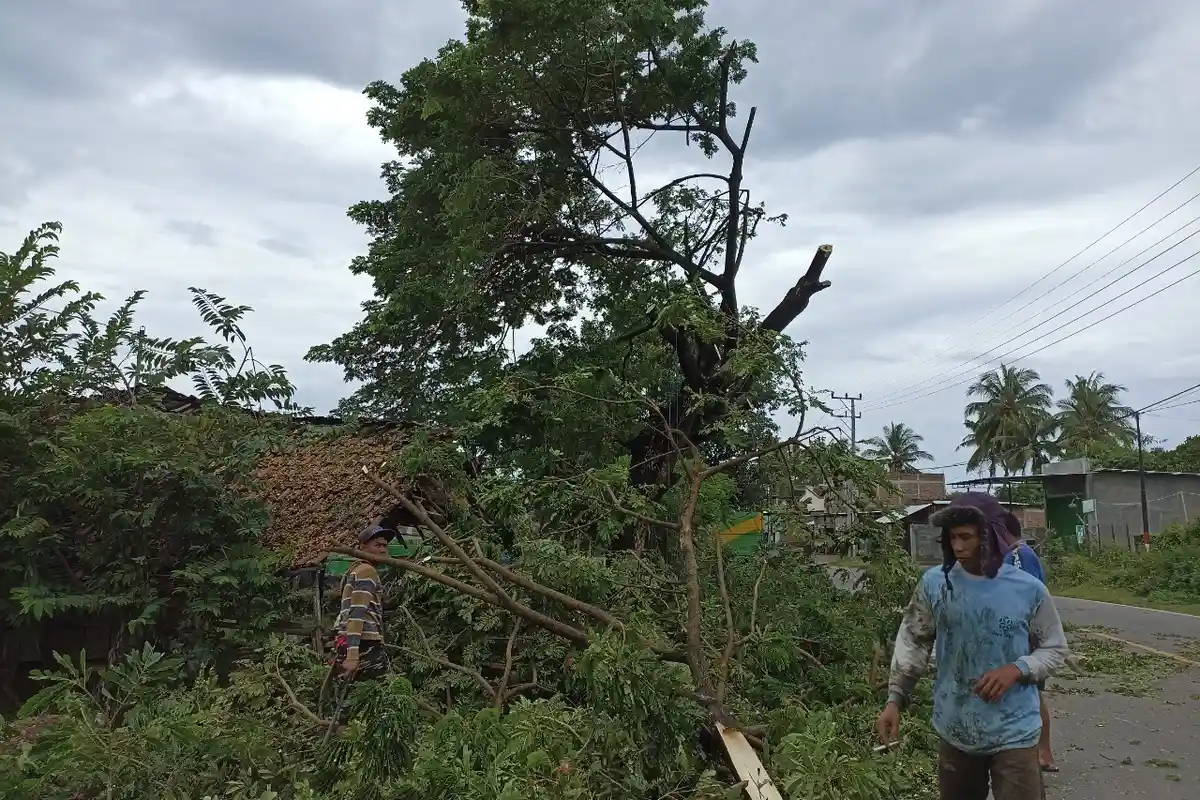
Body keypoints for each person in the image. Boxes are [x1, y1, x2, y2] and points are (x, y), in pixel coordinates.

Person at [876, 492, 1068, 800]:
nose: (958, 547)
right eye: (952, 538)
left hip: (1015, 732)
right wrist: (895, 700)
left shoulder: (1028, 589)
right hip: (956, 729)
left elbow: (1055, 648)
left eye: (966, 537)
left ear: (989, 535)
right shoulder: (935, 584)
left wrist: (1017, 669)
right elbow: (914, 641)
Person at [1002, 512, 1057, 773]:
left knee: (1031, 694)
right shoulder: (1020, 554)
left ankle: (1043, 752)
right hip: (1028, 636)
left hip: (1025, 638)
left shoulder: (1017, 556)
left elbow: (1021, 599)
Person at [332, 524, 393, 680]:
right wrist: (353, 655)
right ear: (362, 547)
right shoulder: (366, 571)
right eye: (377, 545)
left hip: (349, 642)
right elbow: (357, 613)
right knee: (373, 696)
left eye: (385, 546)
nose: (382, 550)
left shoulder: (353, 571)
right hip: (363, 644)